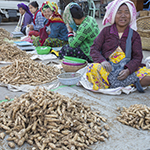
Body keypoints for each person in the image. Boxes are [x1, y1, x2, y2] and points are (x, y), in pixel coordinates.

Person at [86, 0, 150, 90]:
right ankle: (129, 83)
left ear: (131, 15)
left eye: (126, 12)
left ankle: (119, 82)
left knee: (148, 75)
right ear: (113, 15)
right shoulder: (106, 31)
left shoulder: (135, 35)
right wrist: (103, 61)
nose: (123, 16)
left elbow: (137, 57)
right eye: (119, 12)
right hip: (108, 69)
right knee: (92, 68)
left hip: (126, 70)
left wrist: (128, 70)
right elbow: (94, 49)